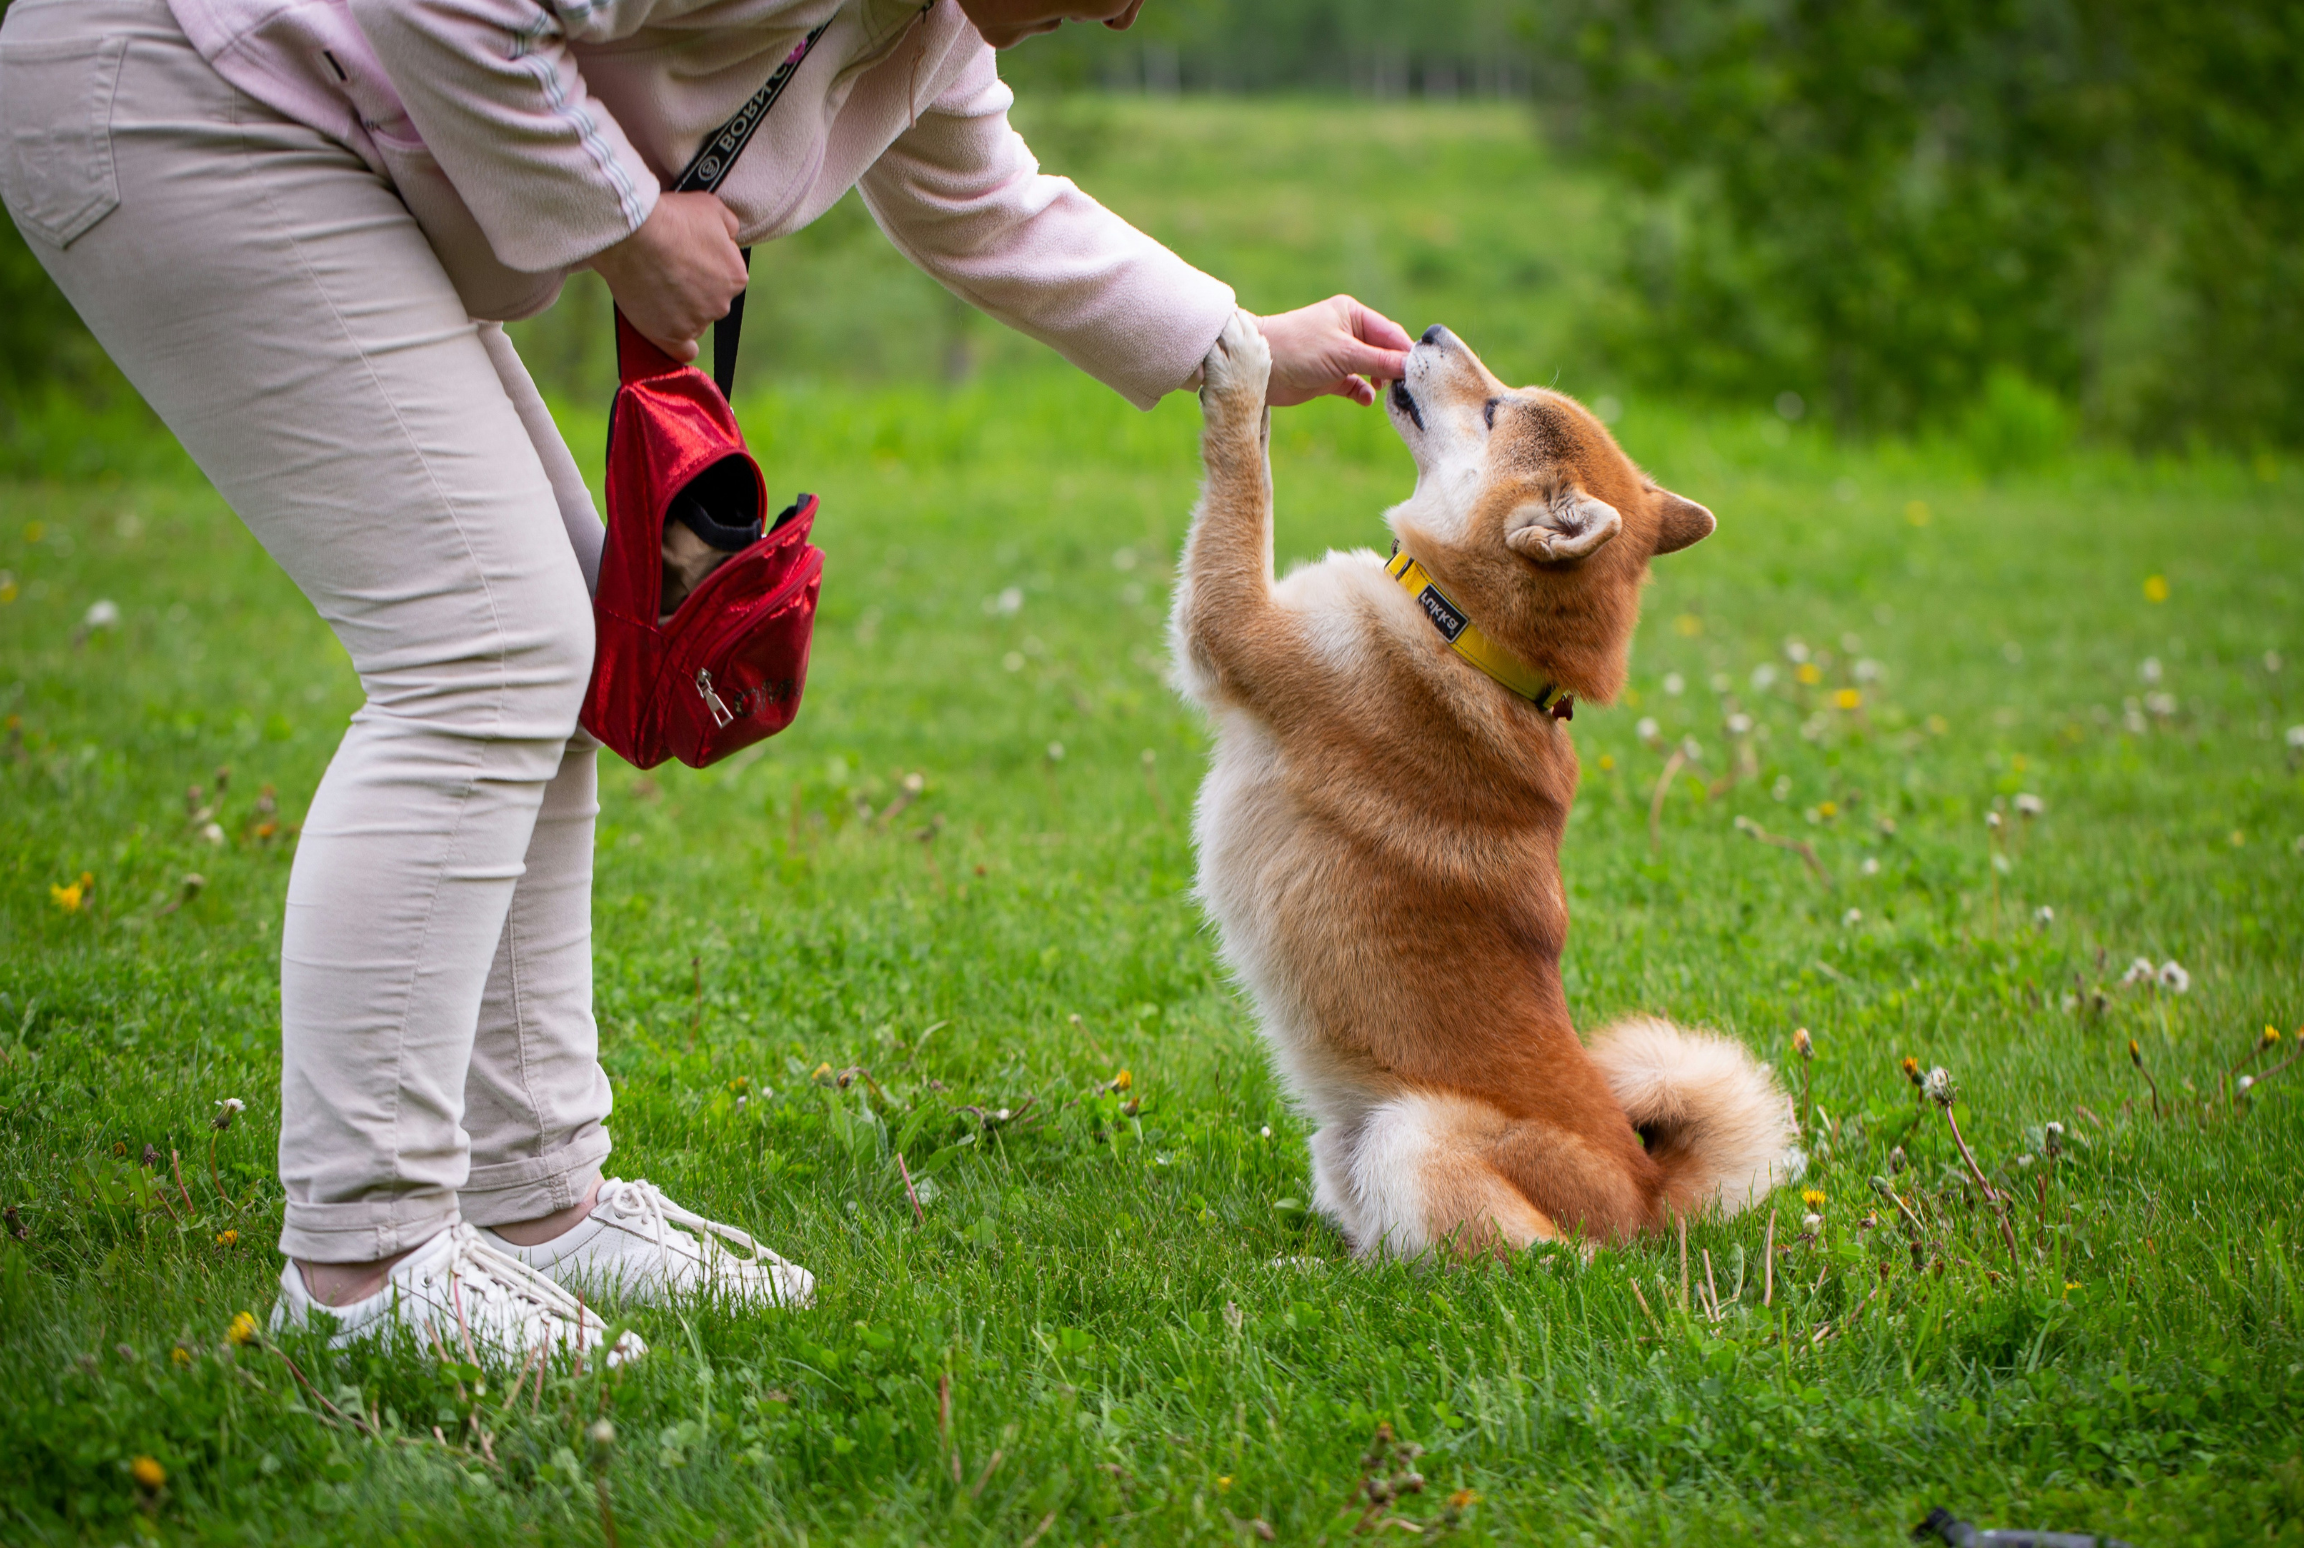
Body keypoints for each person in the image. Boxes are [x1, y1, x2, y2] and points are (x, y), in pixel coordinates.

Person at [0, 0, 1412, 1361]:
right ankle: (364, 1261)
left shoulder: (930, 28)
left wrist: (1240, 345)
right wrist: (625, 221)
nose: (1122, 20)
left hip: (302, 130)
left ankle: (533, 1198)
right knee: (486, 651)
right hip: (192, 95)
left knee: (554, 649)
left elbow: (987, 204)